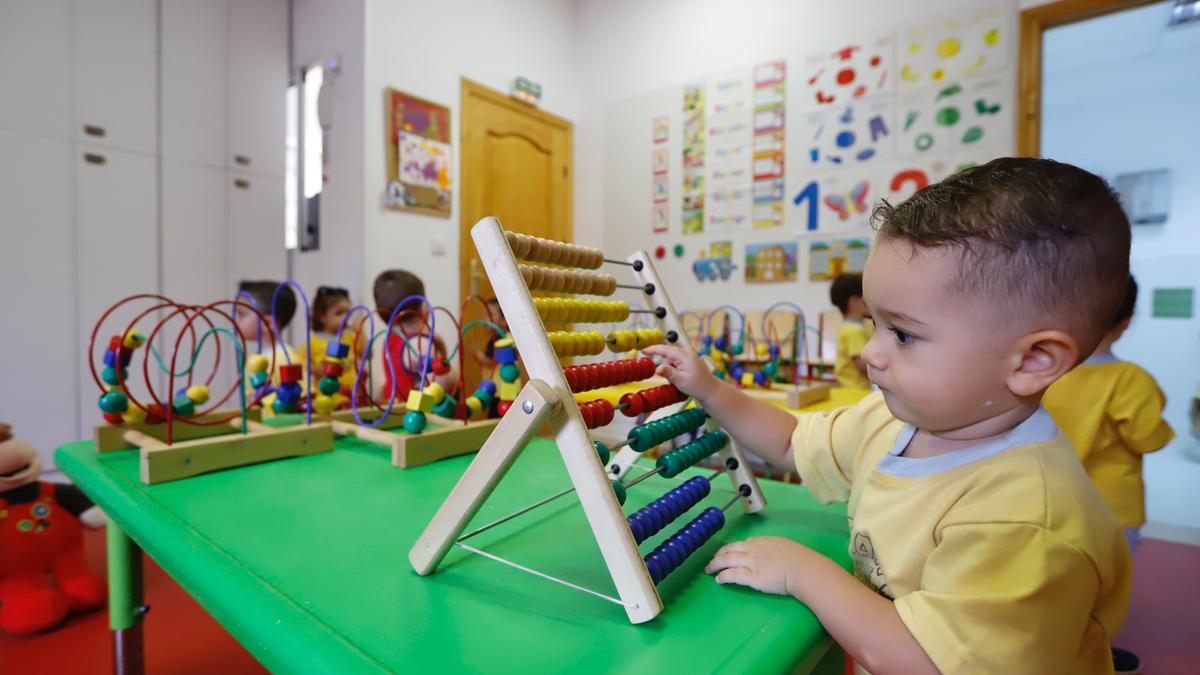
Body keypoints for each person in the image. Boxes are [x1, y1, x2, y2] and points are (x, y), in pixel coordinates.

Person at [646, 157, 1132, 673]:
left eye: (903, 334)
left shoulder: (1025, 519)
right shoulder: (894, 420)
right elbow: (791, 441)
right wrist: (709, 389)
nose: (871, 353)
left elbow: (929, 662)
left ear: (1032, 361)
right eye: (874, 323)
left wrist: (803, 573)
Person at [830, 273, 872, 389]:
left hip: (847, 388)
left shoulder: (847, 328)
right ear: (854, 301)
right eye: (866, 297)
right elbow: (862, 365)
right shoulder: (855, 331)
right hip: (856, 390)